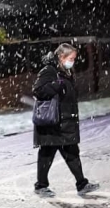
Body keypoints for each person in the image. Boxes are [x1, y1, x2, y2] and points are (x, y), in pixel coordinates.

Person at [32, 43, 100, 197]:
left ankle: (82, 184)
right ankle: (41, 186)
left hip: (65, 121)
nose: (73, 61)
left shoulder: (65, 71)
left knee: (72, 153)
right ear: (61, 57)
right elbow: (38, 90)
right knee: (47, 154)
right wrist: (56, 85)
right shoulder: (50, 71)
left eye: (74, 58)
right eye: (71, 58)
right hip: (53, 122)